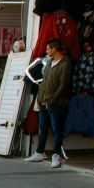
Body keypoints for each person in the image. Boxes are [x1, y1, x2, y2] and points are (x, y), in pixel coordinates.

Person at [25, 39, 72, 168]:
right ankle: (39, 151)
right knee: (43, 128)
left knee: (57, 129)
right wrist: (39, 98)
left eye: (48, 49)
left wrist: (52, 99)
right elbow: (44, 82)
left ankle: (56, 155)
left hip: (56, 102)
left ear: (54, 49)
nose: (46, 51)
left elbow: (63, 85)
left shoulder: (65, 63)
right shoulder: (49, 62)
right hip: (44, 100)